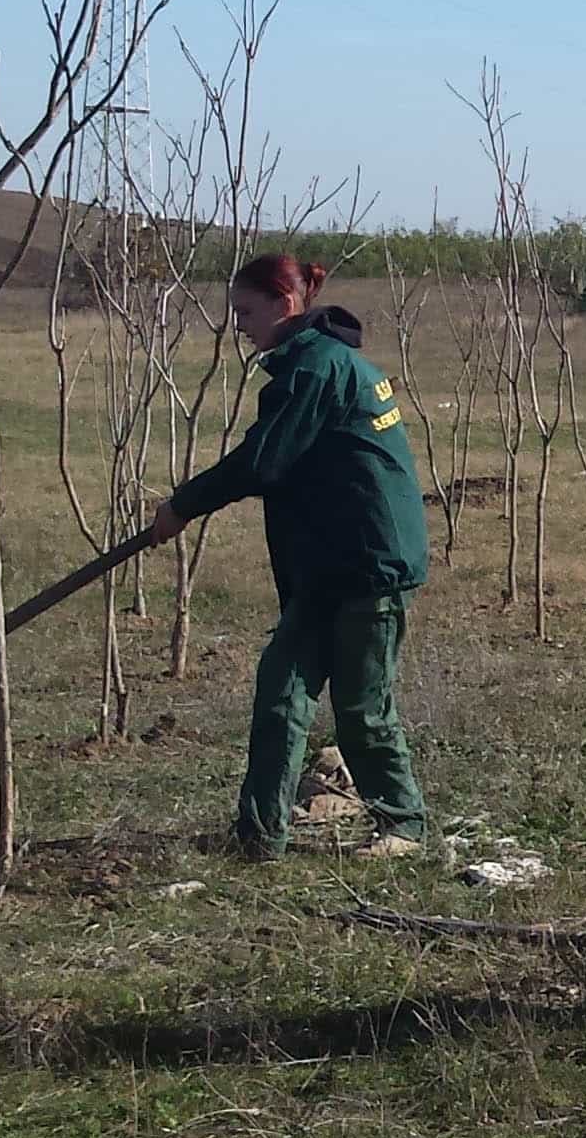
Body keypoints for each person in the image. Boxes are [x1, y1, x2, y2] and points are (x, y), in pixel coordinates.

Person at [145, 254, 430, 862]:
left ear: (285, 304)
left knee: (361, 704)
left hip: (367, 562)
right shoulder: (315, 361)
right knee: (282, 692)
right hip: (328, 564)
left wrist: (182, 506)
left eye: (247, 312)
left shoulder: (318, 368)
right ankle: (259, 838)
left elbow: (262, 460)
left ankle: (403, 824)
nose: (240, 327)